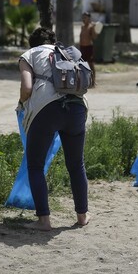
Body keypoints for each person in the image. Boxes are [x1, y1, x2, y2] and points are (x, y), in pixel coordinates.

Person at [18, 27, 90, 231]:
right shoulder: (67, 52)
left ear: (33, 43)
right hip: (77, 108)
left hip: (46, 110)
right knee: (76, 164)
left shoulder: (29, 55)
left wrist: (21, 103)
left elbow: (27, 88)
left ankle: (44, 220)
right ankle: (82, 216)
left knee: (35, 166)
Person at [79, 12, 98, 86]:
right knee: (82, 65)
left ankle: (93, 81)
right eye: (83, 17)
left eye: (85, 18)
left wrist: (94, 29)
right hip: (82, 47)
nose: (83, 19)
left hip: (88, 47)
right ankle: (84, 80)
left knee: (91, 65)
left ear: (89, 19)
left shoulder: (91, 27)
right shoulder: (82, 27)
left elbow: (94, 37)